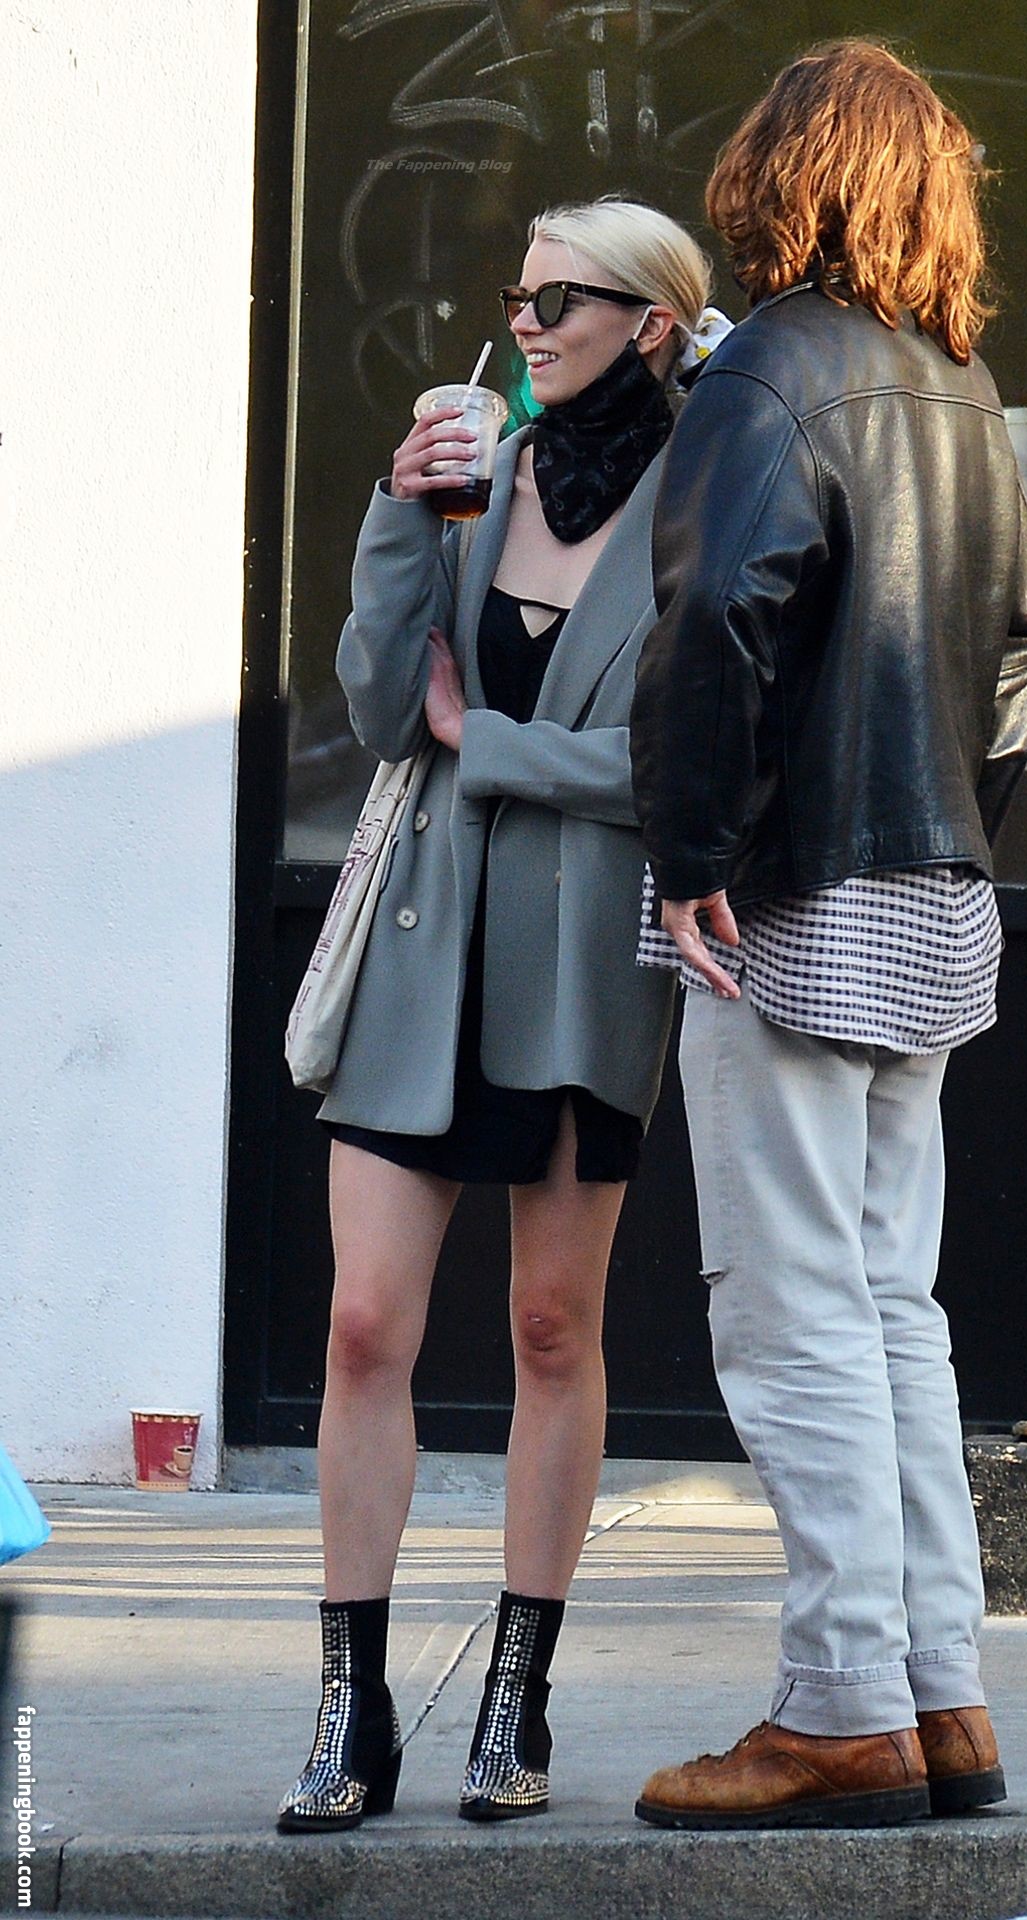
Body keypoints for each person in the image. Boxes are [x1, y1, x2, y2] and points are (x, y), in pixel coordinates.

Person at [629, 40, 1027, 1830]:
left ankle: (839, 1713)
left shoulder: (764, 374)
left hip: (784, 894)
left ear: (775, 176)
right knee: (892, 1310)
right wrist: (952, 829)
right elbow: (1020, 659)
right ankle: (939, 1698)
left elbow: (717, 617)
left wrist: (692, 849)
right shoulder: (964, 386)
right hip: (930, 890)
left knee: (793, 1310)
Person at [276, 197, 712, 1832]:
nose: (525, 323)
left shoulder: (702, 506)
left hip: (583, 966)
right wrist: (399, 515)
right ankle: (352, 1711)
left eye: (560, 300)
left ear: (651, 323)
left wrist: (495, 747)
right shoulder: (479, 473)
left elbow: (681, 766)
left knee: (549, 1330)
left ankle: (515, 1699)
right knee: (362, 1328)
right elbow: (390, 709)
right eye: (517, 297)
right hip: (421, 948)